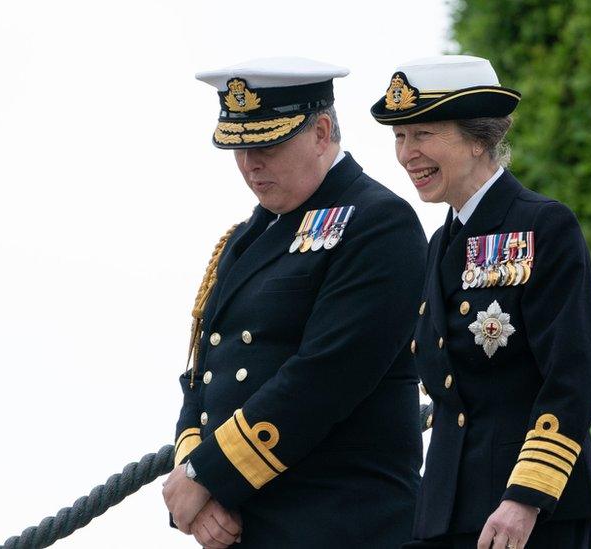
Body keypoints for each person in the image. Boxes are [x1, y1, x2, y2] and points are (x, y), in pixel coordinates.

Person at [162, 57, 427, 548]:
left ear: (322, 132)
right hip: (245, 522)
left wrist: (206, 476)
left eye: (266, 144)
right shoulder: (246, 237)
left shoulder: (379, 223)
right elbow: (205, 372)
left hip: (344, 523)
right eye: (238, 147)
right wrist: (194, 475)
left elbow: (325, 375)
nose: (249, 164)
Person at [371, 55, 591, 549]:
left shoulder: (545, 226)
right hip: (446, 508)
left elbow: (572, 375)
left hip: (529, 511)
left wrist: (525, 497)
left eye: (424, 134)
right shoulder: (440, 243)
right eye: (400, 137)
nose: (407, 154)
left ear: (480, 138)